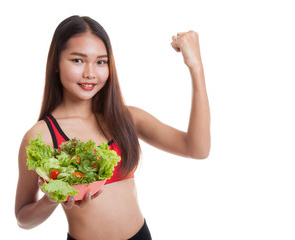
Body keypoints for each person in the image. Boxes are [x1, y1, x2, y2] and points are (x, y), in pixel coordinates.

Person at [15, 15, 210, 240]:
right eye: (77, 60)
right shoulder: (42, 136)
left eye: (101, 61)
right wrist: (51, 199)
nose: (90, 73)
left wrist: (196, 68)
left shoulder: (126, 118)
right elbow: (23, 218)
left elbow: (197, 149)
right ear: (56, 63)